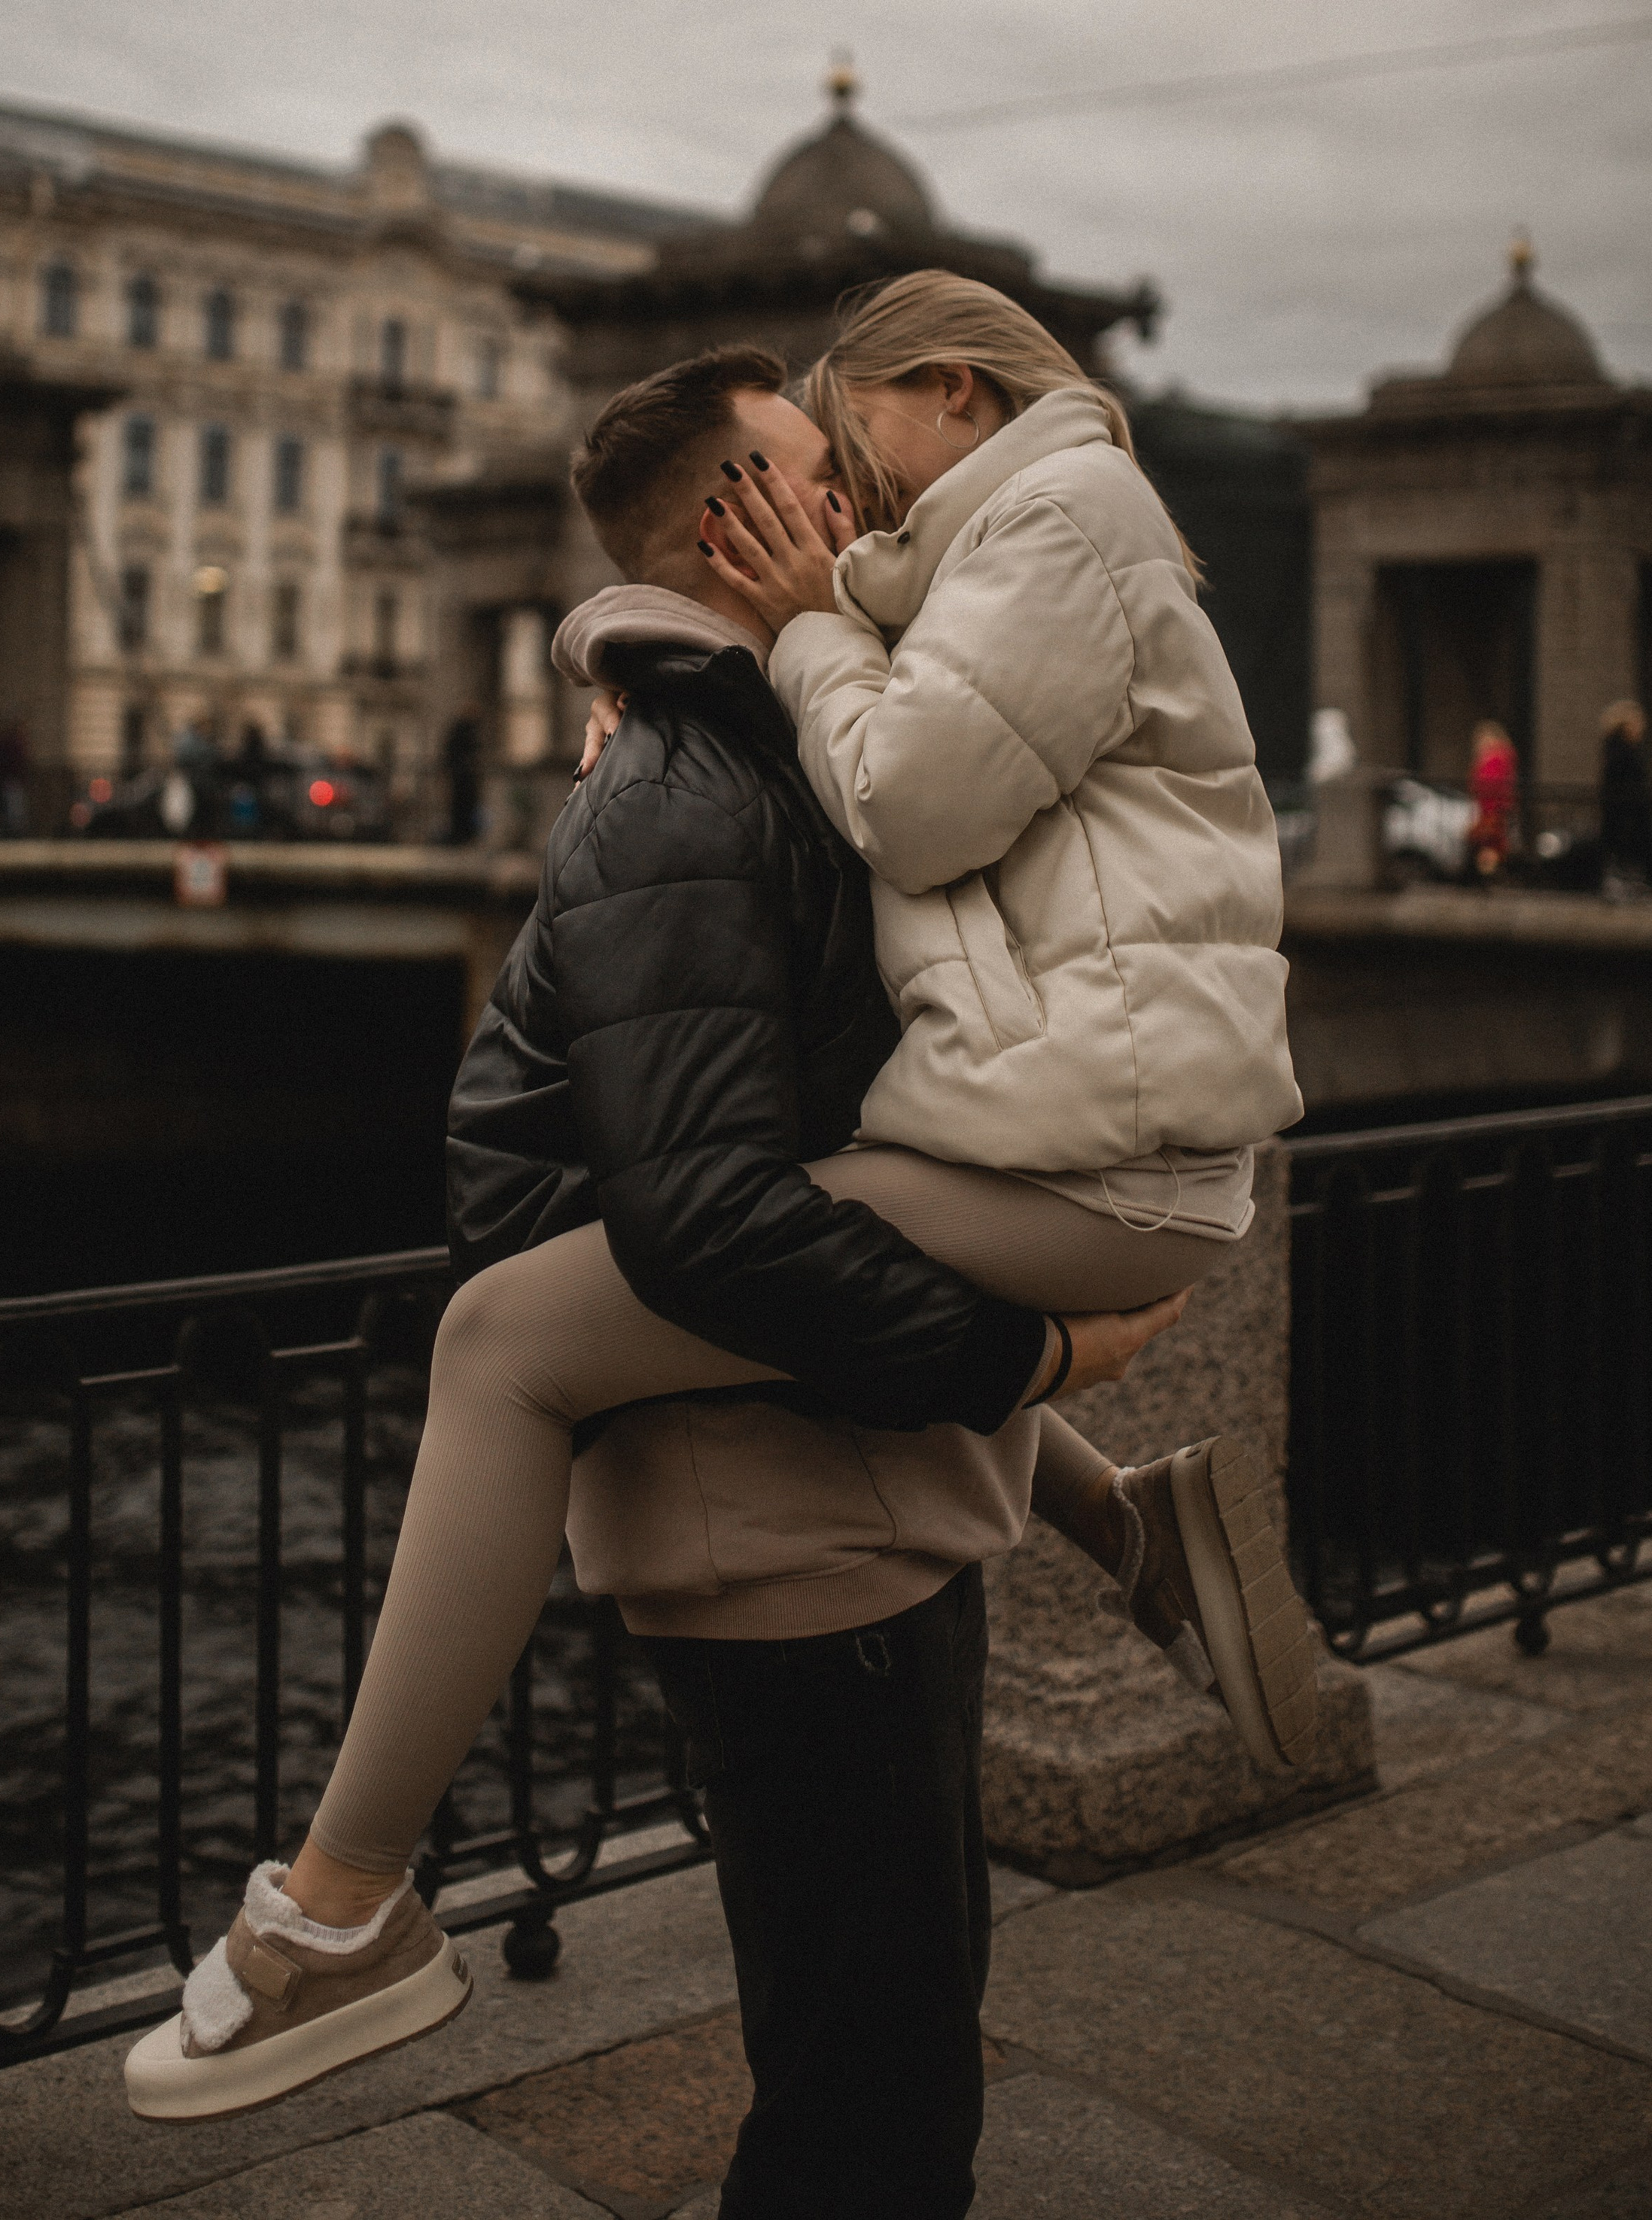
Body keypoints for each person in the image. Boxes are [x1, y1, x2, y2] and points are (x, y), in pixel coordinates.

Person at [126, 290, 1310, 2213]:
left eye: (863, 454)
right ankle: (339, 1906)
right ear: (728, 519)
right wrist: (1029, 1369)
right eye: (812, 464)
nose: (855, 490)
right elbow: (704, 1216)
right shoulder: (685, 786)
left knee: (898, 2063)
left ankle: (344, 1902)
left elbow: (865, 1127)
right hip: (764, 1514)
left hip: (859, 1481)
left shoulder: (790, 733)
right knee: (867, 2095)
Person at [1598, 699, 1650, 896]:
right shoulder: (1622, 751)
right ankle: (1623, 883)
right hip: (1626, 812)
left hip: (1625, 810)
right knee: (1625, 850)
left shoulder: (1616, 749)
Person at [1468, 718, 1519, 882]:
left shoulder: (1494, 758)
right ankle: (1492, 876)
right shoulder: (1502, 757)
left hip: (1491, 808)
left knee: (1489, 845)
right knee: (1491, 845)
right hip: (1493, 808)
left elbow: (1488, 785)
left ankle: (1490, 878)